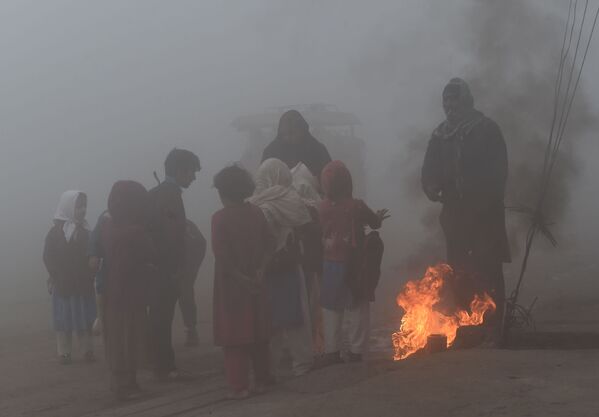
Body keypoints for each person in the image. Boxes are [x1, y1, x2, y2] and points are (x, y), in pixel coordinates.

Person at [421, 78, 510, 343]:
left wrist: (484, 200)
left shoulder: (486, 130)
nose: (450, 106)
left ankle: (493, 326)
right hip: (455, 215)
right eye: (446, 101)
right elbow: (429, 170)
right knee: (458, 268)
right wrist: (430, 186)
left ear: (467, 101)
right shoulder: (440, 135)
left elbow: (499, 172)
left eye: (454, 100)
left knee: (488, 266)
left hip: (485, 215)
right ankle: (464, 325)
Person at [318, 161, 389, 366]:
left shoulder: (321, 207)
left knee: (331, 307)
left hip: (330, 264)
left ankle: (332, 351)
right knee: (357, 305)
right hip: (355, 264)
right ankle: (357, 350)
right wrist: (379, 218)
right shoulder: (356, 206)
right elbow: (374, 223)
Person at [248, 158, 315, 377]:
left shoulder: (253, 203)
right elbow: (306, 223)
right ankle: (302, 363)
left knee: (271, 318)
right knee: (296, 316)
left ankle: (270, 368)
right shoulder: (290, 198)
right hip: (287, 264)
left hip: (264, 269)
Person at [212, 165, 272, 399]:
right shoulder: (257, 213)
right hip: (257, 281)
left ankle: (239, 386)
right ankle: (262, 379)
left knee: (234, 336)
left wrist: (241, 279)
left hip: (231, 286)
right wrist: (260, 272)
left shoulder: (219, 219)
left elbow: (222, 256)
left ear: (223, 192)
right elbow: (269, 244)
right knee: (258, 331)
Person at [148, 148, 201, 381]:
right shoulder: (170, 195)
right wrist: (175, 268)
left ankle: (162, 363)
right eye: (191, 172)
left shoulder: (160, 192)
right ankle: (163, 366)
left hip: (158, 267)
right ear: (180, 171)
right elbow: (170, 234)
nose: (194, 177)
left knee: (160, 315)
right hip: (165, 268)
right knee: (162, 316)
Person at [101, 181, 155, 400]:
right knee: (131, 338)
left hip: (112, 291)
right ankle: (128, 382)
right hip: (132, 292)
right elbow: (151, 253)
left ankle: (120, 382)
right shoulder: (136, 232)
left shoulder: (107, 228)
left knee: (116, 338)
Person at [43, 190, 96, 364]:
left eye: (84, 206)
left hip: (82, 284)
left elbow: (92, 255)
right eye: (78, 206)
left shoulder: (86, 231)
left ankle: (86, 350)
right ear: (68, 207)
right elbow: (48, 256)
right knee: (63, 321)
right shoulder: (55, 232)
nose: (82, 210)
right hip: (63, 285)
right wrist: (55, 275)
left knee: (83, 319)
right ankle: (64, 352)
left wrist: (90, 274)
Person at [291, 162, 325, 354]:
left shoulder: (286, 201)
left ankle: (308, 345)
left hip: (301, 262)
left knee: (305, 302)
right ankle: (313, 345)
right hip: (309, 262)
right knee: (311, 303)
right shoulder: (315, 204)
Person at [262, 110, 332, 178]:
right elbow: (262, 180)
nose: (287, 137)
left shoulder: (318, 150)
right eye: (284, 134)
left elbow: (329, 179)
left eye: (292, 133)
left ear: (302, 130)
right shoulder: (271, 152)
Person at [178, 219, 207, 347]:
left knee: (186, 297)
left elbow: (200, 243)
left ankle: (191, 331)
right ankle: (191, 331)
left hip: (183, 270)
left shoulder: (185, 224)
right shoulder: (185, 223)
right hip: (180, 269)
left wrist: (191, 268)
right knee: (186, 297)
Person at [88, 209, 110, 335]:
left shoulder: (137, 213)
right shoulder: (106, 216)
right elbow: (94, 240)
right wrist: (93, 254)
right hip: (109, 266)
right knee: (101, 285)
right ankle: (100, 319)